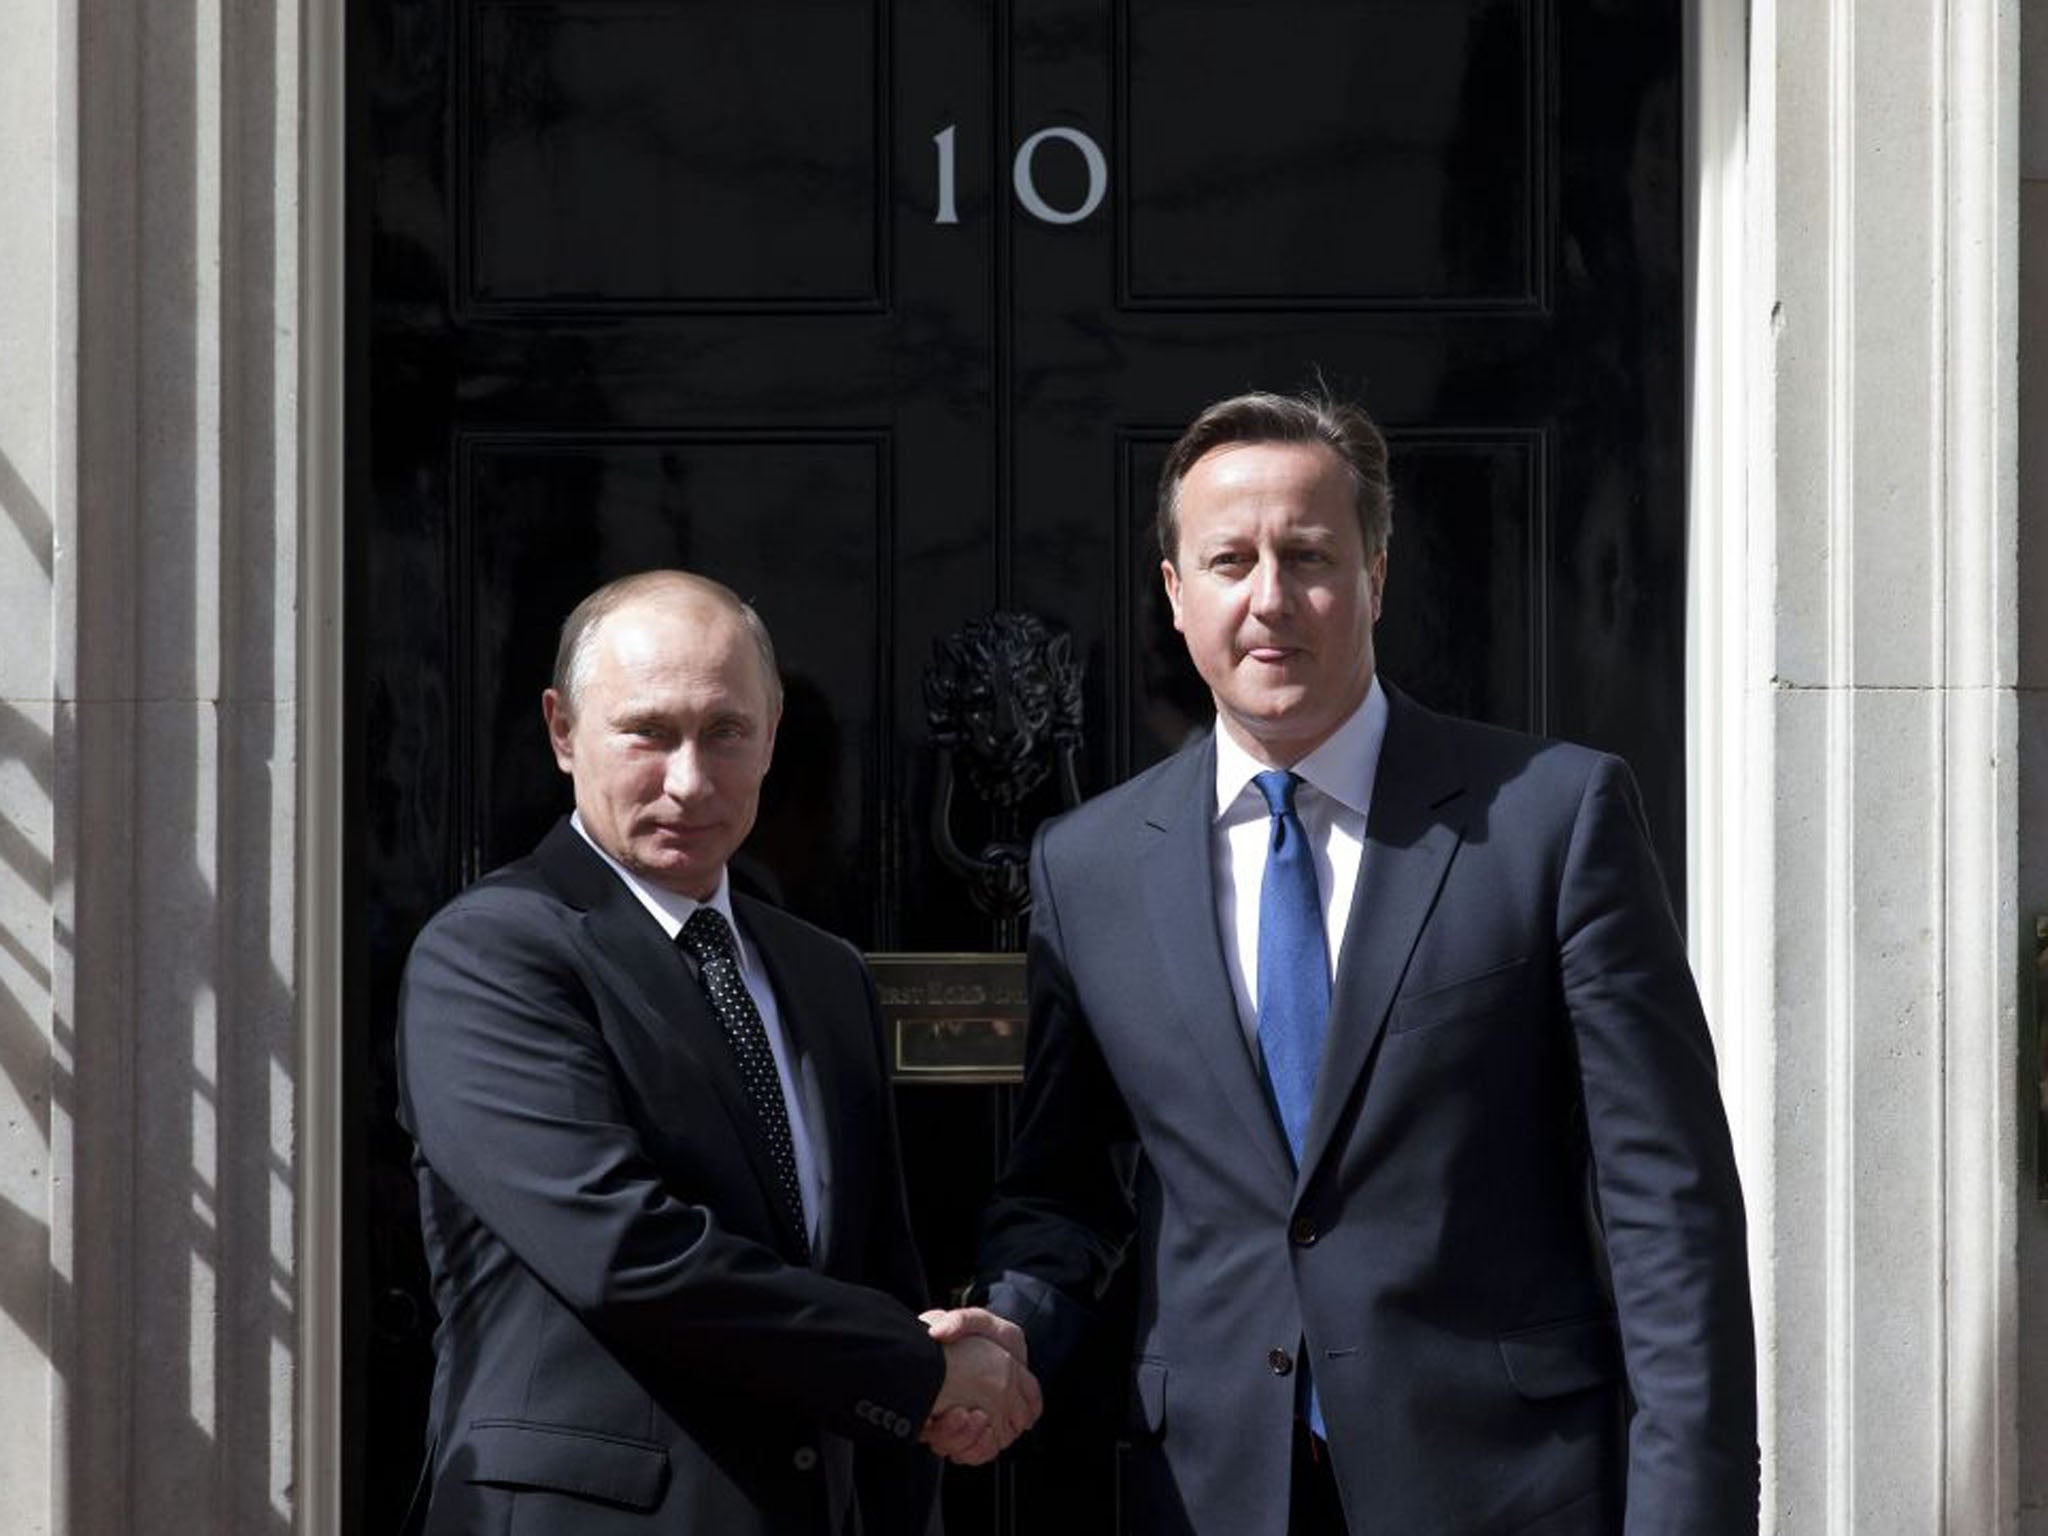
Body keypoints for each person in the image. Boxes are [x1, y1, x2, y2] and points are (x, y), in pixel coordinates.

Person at [953, 393, 1759, 1533]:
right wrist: (1007, 1330)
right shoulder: (1085, 868)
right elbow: (1064, 1191)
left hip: (1505, 1487)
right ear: (1176, 596)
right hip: (1205, 1492)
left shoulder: (1549, 819)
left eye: (1309, 555)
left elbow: (1665, 1211)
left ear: (1375, 576)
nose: (1268, 597)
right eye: (1228, 560)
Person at [397, 570, 1038, 1535]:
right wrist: (921, 1369)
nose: (689, 781)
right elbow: (625, 1254)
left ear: (772, 733)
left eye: (725, 732)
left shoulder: (824, 975)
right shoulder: (491, 952)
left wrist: (932, 1412)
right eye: (648, 732)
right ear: (564, 731)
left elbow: (874, 1272)